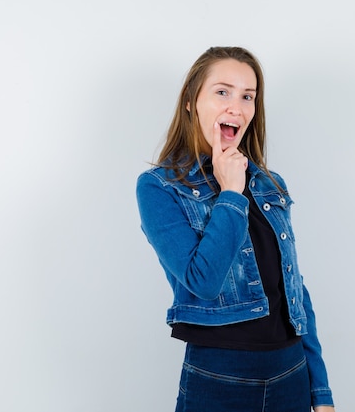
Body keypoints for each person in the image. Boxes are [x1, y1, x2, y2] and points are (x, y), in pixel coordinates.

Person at [136, 46, 335, 412]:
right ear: (191, 101)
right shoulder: (160, 187)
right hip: (219, 377)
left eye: (248, 96)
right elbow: (204, 282)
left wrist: (320, 390)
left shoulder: (269, 184)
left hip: (291, 372)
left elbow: (294, 290)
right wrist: (230, 191)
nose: (236, 107)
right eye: (222, 91)